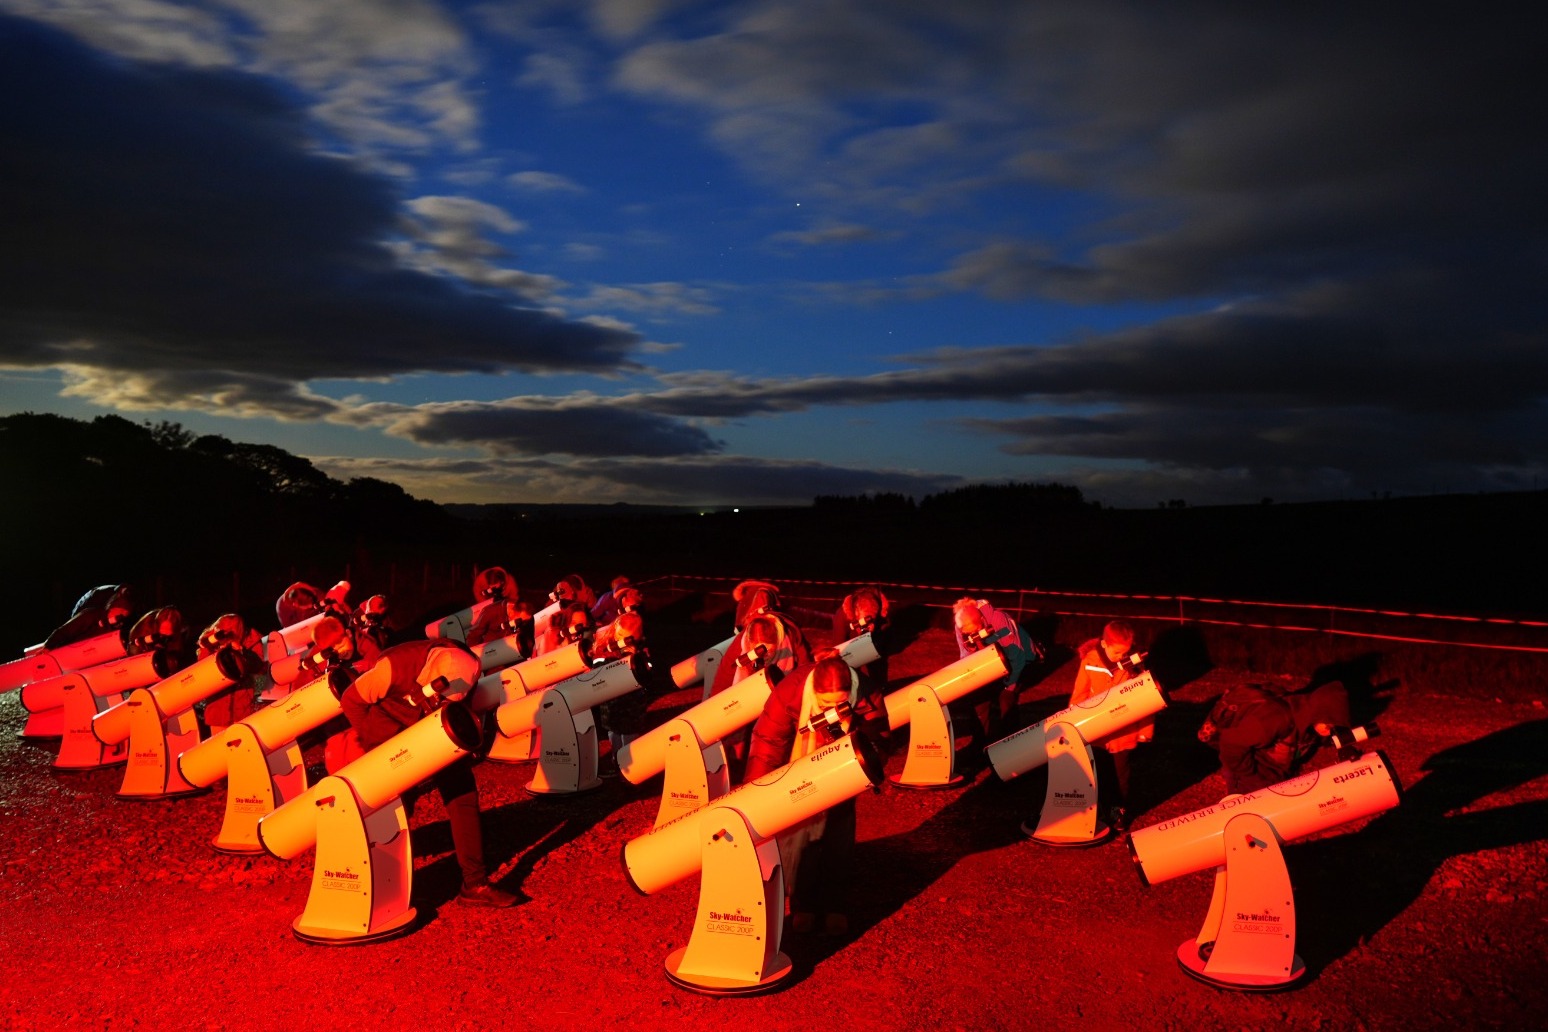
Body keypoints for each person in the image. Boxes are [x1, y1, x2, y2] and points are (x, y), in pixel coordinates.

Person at [313, 616, 517, 908]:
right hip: (389, 737)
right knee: (393, 809)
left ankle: (475, 883)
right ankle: (380, 881)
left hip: (436, 727)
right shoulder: (393, 666)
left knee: (463, 798)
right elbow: (351, 701)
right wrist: (376, 744)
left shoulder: (467, 667)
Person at [743, 653, 885, 937]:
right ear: (814, 693)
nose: (833, 711)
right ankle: (803, 905)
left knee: (838, 837)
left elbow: (880, 733)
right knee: (799, 842)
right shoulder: (790, 693)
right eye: (825, 705)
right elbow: (767, 744)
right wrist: (756, 799)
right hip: (797, 767)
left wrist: (868, 758)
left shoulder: (867, 691)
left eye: (841, 704)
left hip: (844, 773)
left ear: (852, 692)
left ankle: (835, 905)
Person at [1200, 679, 1352, 795]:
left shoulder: (1305, 715)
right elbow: (1230, 742)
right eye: (1329, 724)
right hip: (1250, 778)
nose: (1329, 730)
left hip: (1273, 774)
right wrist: (1251, 775)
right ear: (1320, 713)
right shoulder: (1274, 719)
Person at [1068, 620, 1150, 834]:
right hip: (1098, 734)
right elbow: (1079, 694)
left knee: (1121, 776)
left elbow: (1146, 698)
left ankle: (1119, 810)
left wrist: (1144, 731)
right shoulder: (1089, 661)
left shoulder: (1134, 666)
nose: (1121, 656)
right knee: (1099, 774)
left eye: (1126, 651)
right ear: (1104, 644)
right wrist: (1076, 723)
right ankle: (1099, 809)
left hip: (1124, 734)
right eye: (1117, 652)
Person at [952, 598, 1040, 757]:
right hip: (991, 660)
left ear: (980, 620)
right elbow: (965, 655)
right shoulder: (961, 623)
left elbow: (1016, 656)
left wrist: (1010, 686)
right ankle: (980, 743)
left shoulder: (999, 620)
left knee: (1006, 699)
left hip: (1018, 658)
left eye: (973, 631)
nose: (969, 635)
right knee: (978, 700)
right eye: (966, 633)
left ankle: (1011, 747)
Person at [708, 581, 812, 697]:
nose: (764, 654)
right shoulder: (741, 641)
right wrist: (714, 701)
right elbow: (724, 676)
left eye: (767, 649)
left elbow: (805, 668)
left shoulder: (790, 634)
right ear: (749, 642)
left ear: (778, 640)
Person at [195, 613, 264, 734]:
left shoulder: (250, 641)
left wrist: (241, 651)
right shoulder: (210, 643)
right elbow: (202, 670)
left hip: (242, 709)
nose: (228, 634)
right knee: (219, 748)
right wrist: (214, 648)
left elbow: (258, 665)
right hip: (218, 712)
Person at [42, 584, 134, 650]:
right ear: (111, 607)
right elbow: (67, 630)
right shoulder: (91, 615)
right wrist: (49, 645)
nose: (122, 615)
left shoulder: (114, 629)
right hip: (67, 649)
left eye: (125, 613)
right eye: (120, 611)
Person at [832, 586, 891, 685]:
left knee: (878, 670)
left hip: (873, 647)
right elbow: (838, 649)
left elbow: (885, 639)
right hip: (849, 648)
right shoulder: (842, 617)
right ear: (855, 612)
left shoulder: (881, 612)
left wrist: (873, 631)